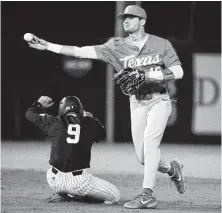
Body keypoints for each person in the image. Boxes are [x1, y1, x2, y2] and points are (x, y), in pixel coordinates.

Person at [26, 5, 186, 209]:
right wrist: (48, 46)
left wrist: (147, 75)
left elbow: (178, 71)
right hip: (136, 102)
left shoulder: (161, 44)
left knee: (150, 141)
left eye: (131, 17)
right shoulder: (115, 46)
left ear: (142, 21)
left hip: (159, 99)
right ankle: (172, 169)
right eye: (124, 18)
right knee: (144, 158)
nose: (125, 21)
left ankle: (147, 195)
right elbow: (80, 52)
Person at [25, 95, 120, 204]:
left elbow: (29, 114)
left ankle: (64, 194)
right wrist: (92, 118)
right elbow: (102, 134)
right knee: (115, 196)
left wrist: (38, 104)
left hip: (54, 180)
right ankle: (76, 197)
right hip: (79, 182)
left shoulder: (54, 121)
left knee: (56, 172)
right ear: (80, 109)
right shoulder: (90, 123)